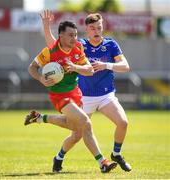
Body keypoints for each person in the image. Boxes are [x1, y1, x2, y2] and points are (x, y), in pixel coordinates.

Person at [40, 10, 132, 172]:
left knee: (123, 122)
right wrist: (47, 27)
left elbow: (125, 66)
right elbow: (53, 44)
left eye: (99, 27)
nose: (96, 31)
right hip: (84, 98)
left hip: (106, 95)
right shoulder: (78, 45)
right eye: (93, 28)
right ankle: (59, 157)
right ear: (87, 30)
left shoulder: (110, 45)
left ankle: (116, 154)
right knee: (77, 135)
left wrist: (107, 65)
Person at [25, 19, 117, 173]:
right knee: (86, 123)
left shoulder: (78, 48)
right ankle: (103, 162)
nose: (74, 38)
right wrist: (41, 78)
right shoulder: (49, 52)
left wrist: (75, 67)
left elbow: (90, 70)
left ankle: (43, 123)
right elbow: (32, 68)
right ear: (60, 36)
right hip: (60, 96)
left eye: (75, 35)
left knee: (77, 132)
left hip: (75, 93)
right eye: (70, 35)